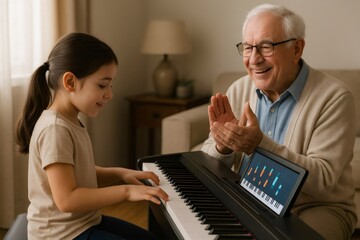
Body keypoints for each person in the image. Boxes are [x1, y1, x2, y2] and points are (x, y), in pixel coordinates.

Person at [201, 3, 357, 240]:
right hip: (249, 200)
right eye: (248, 47)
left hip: (315, 207)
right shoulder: (239, 89)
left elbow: (323, 181)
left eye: (266, 46)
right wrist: (224, 146)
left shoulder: (335, 97)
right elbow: (208, 159)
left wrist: (259, 145)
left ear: (297, 49)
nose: (254, 59)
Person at [16, 32, 169, 240]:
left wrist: (120, 174)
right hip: (60, 235)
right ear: (70, 82)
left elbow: (78, 172)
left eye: (110, 85)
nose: (110, 94)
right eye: (102, 85)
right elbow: (67, 199)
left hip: (84, 223)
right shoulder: (55, 129)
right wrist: (126, 192)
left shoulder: (70, 121)